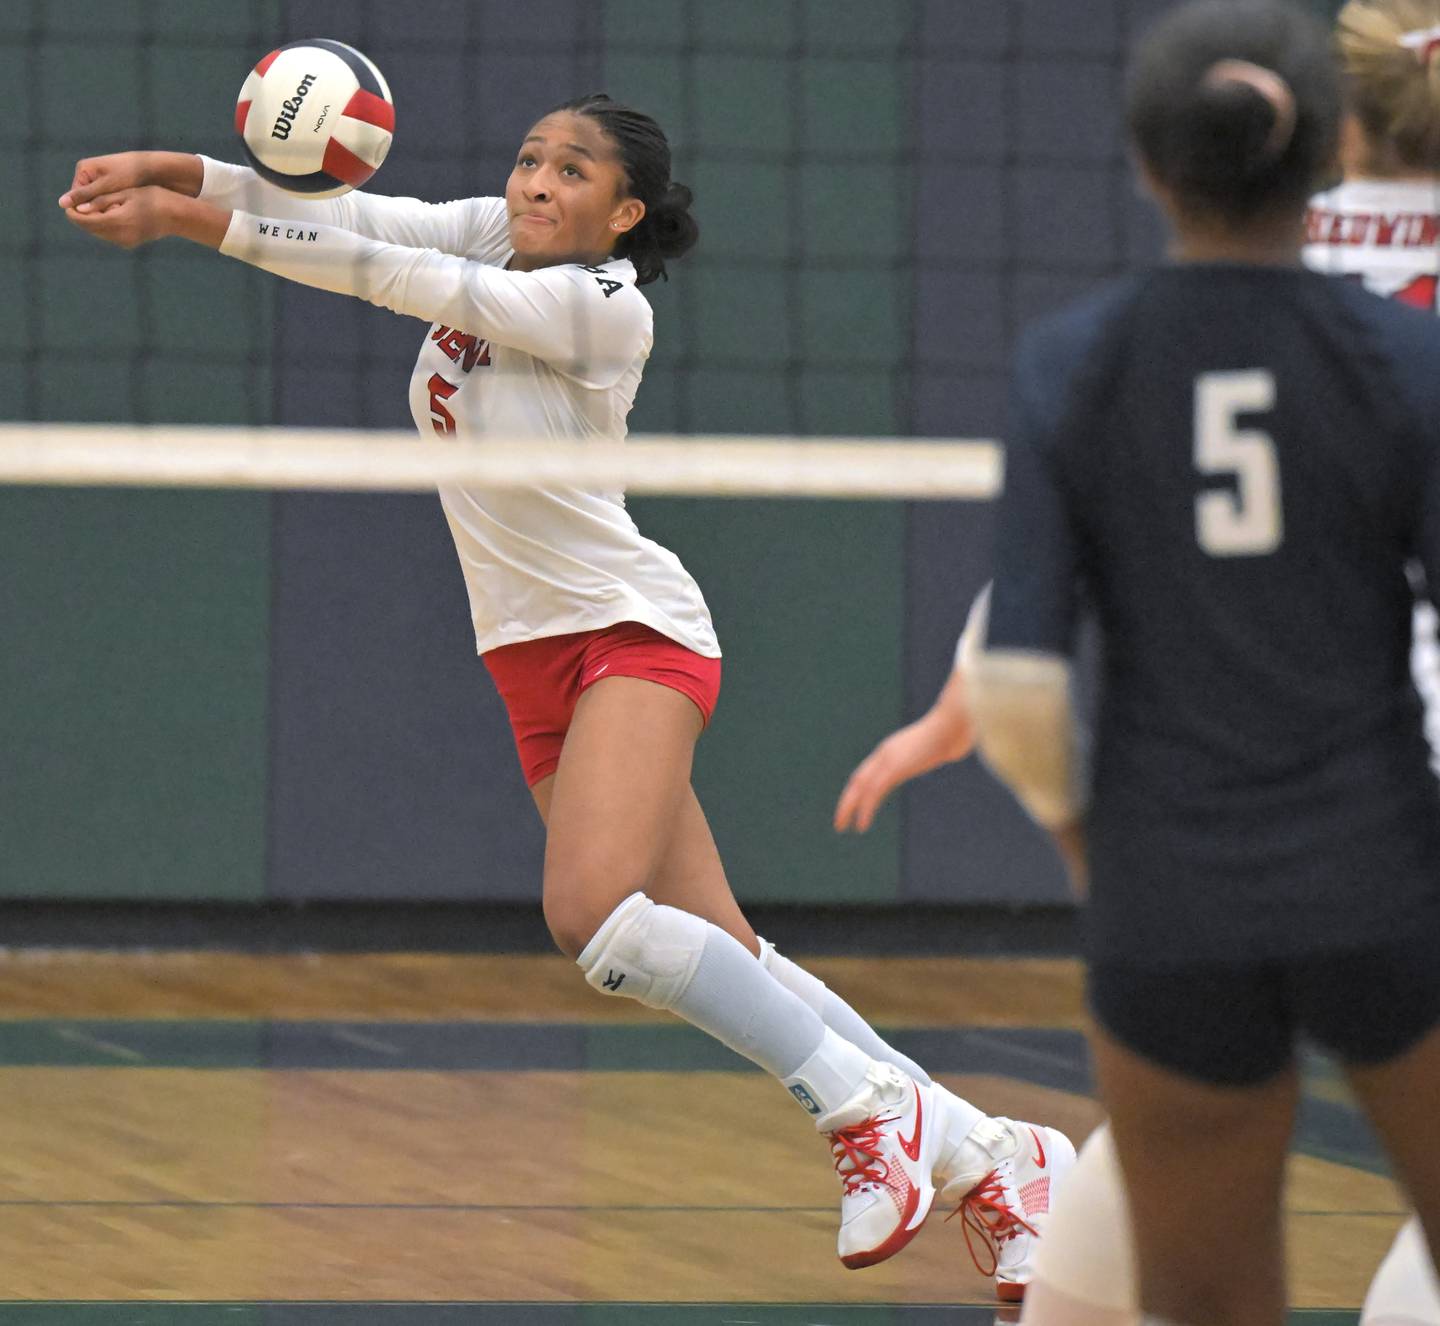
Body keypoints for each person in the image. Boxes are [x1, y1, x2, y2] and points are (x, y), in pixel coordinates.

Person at [57, 93, 1070, 1287]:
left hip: (629, 635)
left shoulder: (601, 306)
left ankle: (861, 1114)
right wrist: (182, 170)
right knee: (727, 951)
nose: (537, 181)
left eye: (571, 171)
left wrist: (188, 225)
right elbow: (354, 212)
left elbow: (384, 273)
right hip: (528, 653)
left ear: (622, 213)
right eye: (530, 157)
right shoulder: (497, 230)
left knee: (594, 918)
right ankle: (1002, 1158)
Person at [837, 3, 1440, 1321]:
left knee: (1182, 1265)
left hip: (1186, 876)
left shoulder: (1097, 352)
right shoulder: (1398, 352)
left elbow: (1038, 642)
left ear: (1156, 160)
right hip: (1387, 847)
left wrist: (1068, 825)